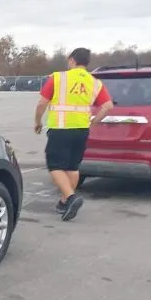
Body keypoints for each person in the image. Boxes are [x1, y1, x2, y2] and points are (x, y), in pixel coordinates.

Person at [34, 48, 114, 221]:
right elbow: (108, 106)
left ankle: (71, 197)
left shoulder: (58, 78)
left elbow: (42, 103)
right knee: (72, 167)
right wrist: (94, 122)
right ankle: (64, 202)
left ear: (72, 60)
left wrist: (38, 121)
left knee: (55, 166)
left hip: (61, 129)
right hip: (82, 130)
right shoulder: (94, 82)